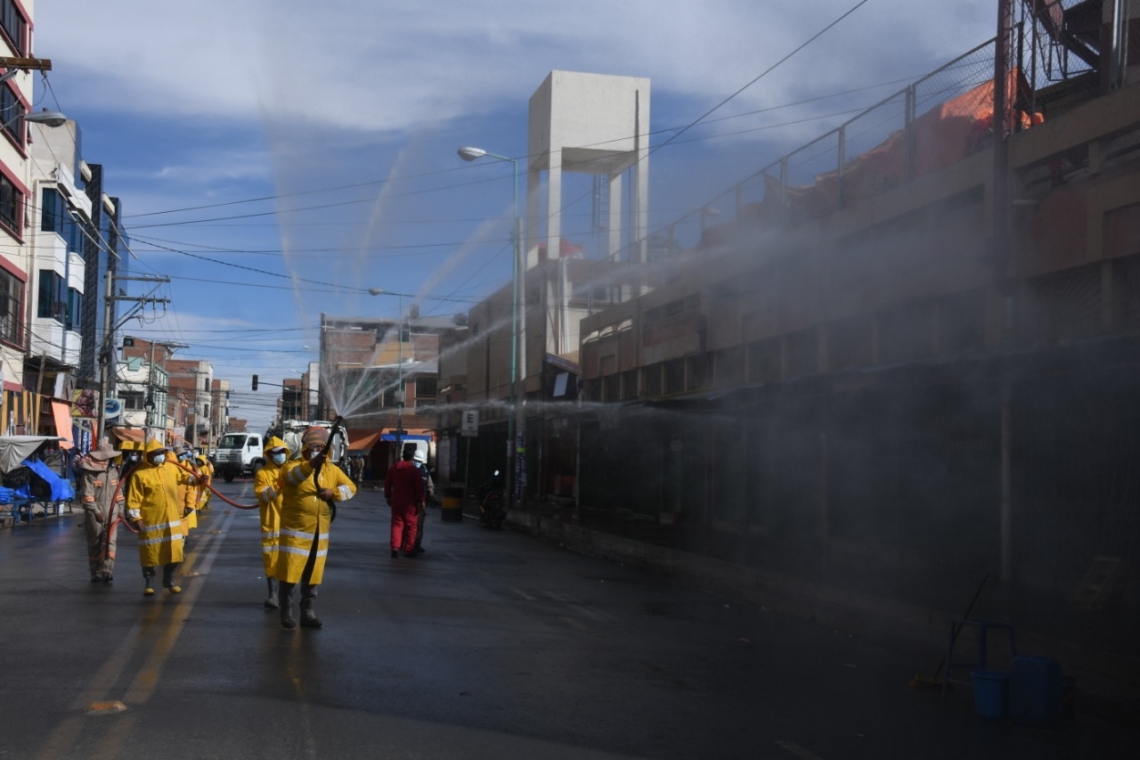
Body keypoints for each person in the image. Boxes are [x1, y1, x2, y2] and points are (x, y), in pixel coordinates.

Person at [276, 427, 356, 629]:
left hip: (319, 534)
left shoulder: (332, 470)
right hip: (296, 533)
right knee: (290, 573)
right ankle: (286, 611)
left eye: (322, 446)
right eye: (314, 447)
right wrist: (311, 464)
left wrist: (333, 493)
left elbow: (351, 488)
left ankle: (307, 612)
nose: (318, 449)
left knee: (313, 574)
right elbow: (291, 479)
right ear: (305, 448)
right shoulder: (292, 466)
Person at [125, 439, 195, 596]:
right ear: (148, 456)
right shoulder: (139, 475)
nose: (159, 456)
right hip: (151, 521)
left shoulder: (171, 468)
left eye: (161, 453)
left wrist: (197, 479)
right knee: (150, 553)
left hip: (172, 520)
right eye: (155, 454)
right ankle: (149, 583)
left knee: (175, 552)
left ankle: (169, 580)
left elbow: (185, 478)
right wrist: (136, 519)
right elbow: (133, 500)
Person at [75, 444, 126, 583]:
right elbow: (87, 496)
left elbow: (119, 493)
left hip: (112, 512)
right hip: (95, 513)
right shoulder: (89, 475)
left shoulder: (113, 472)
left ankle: (107, 570)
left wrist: (121, 509)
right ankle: (95, 571)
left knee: (110, 541)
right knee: (95, 541)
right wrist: (96, 511)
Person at [254, 436, 290, 609]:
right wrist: (279, 485)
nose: (280, 456)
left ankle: (287, 597)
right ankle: (273, 596)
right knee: (272, 560)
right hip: (272, 523)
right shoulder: (262, 474)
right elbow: (264, 495)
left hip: (292, 524)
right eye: (276, 453)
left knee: (291, 560)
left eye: (282, 452)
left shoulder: (292, 470)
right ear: (269, 455)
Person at [384, 443, 425, 559]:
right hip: (410, 504)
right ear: (412, 457)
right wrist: (422, 501)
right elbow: (419, 488)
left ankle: (395, 548)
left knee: (397, 525)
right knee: (411, 526)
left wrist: (388, 496)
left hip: (396, 502)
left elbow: (387, 483)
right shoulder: (414, 471)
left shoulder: (394, 468)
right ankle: (408, 549)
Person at [411, 449, 434, 554]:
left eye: (419, 461)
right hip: (409, 503)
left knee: (419, 526)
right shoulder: (408, 470)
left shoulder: (425, 471)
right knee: (410, 525)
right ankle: (408, 544)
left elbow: (430, 486)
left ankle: (416, 545)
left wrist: (430, 497)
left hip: (420, 503)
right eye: (416, 460)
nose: (417, 463)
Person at [172, 446, 198, 540]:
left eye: (183, 454)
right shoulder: (170, 466)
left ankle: (182, 538)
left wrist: (190, 504)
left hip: (183, 499)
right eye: (180, 455)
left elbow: (192, 483)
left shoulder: (187, 464)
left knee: (183, 523)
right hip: (173, 499)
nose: (183, 456)